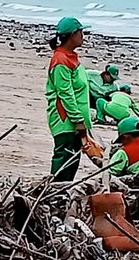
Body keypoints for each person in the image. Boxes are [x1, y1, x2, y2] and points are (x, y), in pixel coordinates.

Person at [46, 17, 91, 182]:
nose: (83, 35)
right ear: (73, 34)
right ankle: (54, 194)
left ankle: (61, 194)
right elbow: (65, 93)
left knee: (72, 161)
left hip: (73, 118)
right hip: (65, 119)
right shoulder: (61, 61)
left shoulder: (70, 57)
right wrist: (78, 119)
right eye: (81, 32)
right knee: (64, 159)